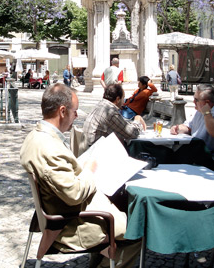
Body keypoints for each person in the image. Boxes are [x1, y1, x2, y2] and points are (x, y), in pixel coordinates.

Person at [20, 83, 141, 268]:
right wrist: (89, 170)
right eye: (74, 111)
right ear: (62, 111)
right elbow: (74, 194)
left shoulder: (36, 136)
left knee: (124, 204)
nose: (76, 116)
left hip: (69, 211)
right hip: (74, 223)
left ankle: (104, 258)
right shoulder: (49, 147)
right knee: (137, 230)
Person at [170, 84, 214, 153]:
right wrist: (178, 128)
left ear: (207, 103)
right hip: (193, 149)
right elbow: (189, 127)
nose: (193, 102)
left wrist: (207, 113)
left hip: (206, 154)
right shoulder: (199, 111)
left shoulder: (210, 112)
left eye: (196, 100)